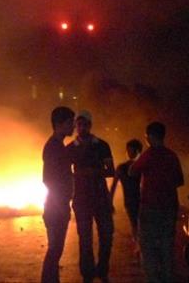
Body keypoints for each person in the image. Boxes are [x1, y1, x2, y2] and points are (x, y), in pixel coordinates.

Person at [128, 122, 184, 283]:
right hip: (169, 207)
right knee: (167, 247)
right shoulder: (172, 155)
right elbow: (179, 181)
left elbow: (132, 171)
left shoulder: (148, 154)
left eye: (146, 136)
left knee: (148, 248)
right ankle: (167, 278)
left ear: (150, 136)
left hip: (150, 207)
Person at [68, 110, 115, 283]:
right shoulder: (71, 148)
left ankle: (102, 269)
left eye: (85, 124)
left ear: (90, 125)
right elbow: (65, 173)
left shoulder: (102, 145)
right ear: (76, 126)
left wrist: (90, 172)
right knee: (85, 238)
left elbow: (111, 170)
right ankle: (87, 273)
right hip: (81, 198)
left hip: (100, 196)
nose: (82, 128)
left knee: (107, 235)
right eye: (79, 125)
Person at [41, 106, 76, 283]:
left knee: (55, 251)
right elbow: (48, 179)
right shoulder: (53, 147)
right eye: (70, 122)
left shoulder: (57, 146)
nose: (73, 126)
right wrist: (61, 205)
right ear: (59, 124)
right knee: (55, 250)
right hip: (56, 208)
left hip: (57, 206)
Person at [110, 139, 143, 257]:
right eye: (128, 150)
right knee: (136, 225)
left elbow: (113, 186)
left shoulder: (129, 167)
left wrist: (110, 201)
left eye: (131, 150)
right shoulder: (124, 168)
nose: (129, 152)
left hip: (140, 200)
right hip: (133, 201)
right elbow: (113, 185)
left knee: (137, 225)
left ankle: (140, 249)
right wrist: (109, 202)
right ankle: (140, 249)